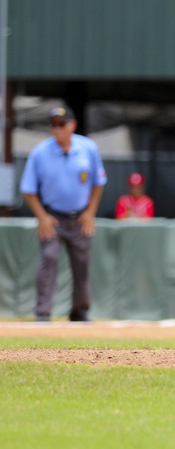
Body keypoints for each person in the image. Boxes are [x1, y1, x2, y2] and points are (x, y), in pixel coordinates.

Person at [19, 105, 108, 322]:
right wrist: (42, 217)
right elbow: (28, 189)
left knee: (82, 263)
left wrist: (90, 212)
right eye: (53, 125)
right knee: (48, 258)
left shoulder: (88, 148)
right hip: (53, 216)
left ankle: (80, 311)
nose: (57, 129)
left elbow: (98, 183)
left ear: (72, 125)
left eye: (61, 124)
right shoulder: (40, 152)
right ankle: (43, 313)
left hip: (80, 216)